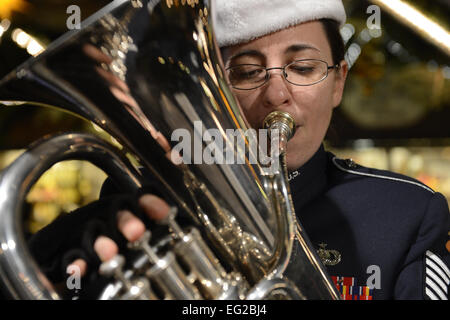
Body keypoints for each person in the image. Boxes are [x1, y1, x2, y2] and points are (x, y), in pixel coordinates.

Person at [28, 0, 449, 300]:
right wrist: (62, 260)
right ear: (215, 93)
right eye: (247, 72)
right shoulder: (139, 210)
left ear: (338, 82)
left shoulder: (406, 213)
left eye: (303, 67)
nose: (277, 94)